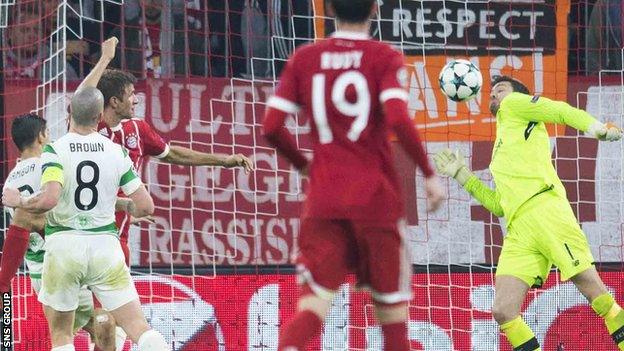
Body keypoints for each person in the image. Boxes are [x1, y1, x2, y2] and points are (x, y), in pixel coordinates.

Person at [262, 0, 444, 349]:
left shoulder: (305, 58)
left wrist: (304, 165)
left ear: (329, 9)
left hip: (324, 201)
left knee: (313, 307)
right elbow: (397, 117)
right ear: (375, 9)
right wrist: (428, 172)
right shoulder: (384, 56)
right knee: (391, 318)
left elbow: (271, 126)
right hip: (376, 201)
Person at [434, 75, 624, 351]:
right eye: (492, 92)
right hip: (518, 229)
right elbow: (499, 204)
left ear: (518, 95)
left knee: (598, 296)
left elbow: (559, 110)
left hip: (544, 210)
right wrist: (462, 175)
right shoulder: (501, 148)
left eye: (501, 89)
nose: (494, 94)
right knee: (503, 310)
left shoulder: (514, 105)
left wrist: (596, 128)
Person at [2, 87, 168, 351]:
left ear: (70, 116)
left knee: (61, 334)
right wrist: (126, 207)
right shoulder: (117, 152)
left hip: (62, 249)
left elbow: (50, 199)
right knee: (137, 327)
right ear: (100, 115)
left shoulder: (54, 151)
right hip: (104, 246)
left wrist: (19, 201)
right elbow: (146, 205)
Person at [1, 113, 124, 350]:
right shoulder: (51, 164)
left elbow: (23, 225)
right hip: (69, 263)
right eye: (48, 133)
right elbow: (81, 199)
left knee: (64, 335)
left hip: (39, 274)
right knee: (111, 327)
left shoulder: (10, 183)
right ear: (41, 136)